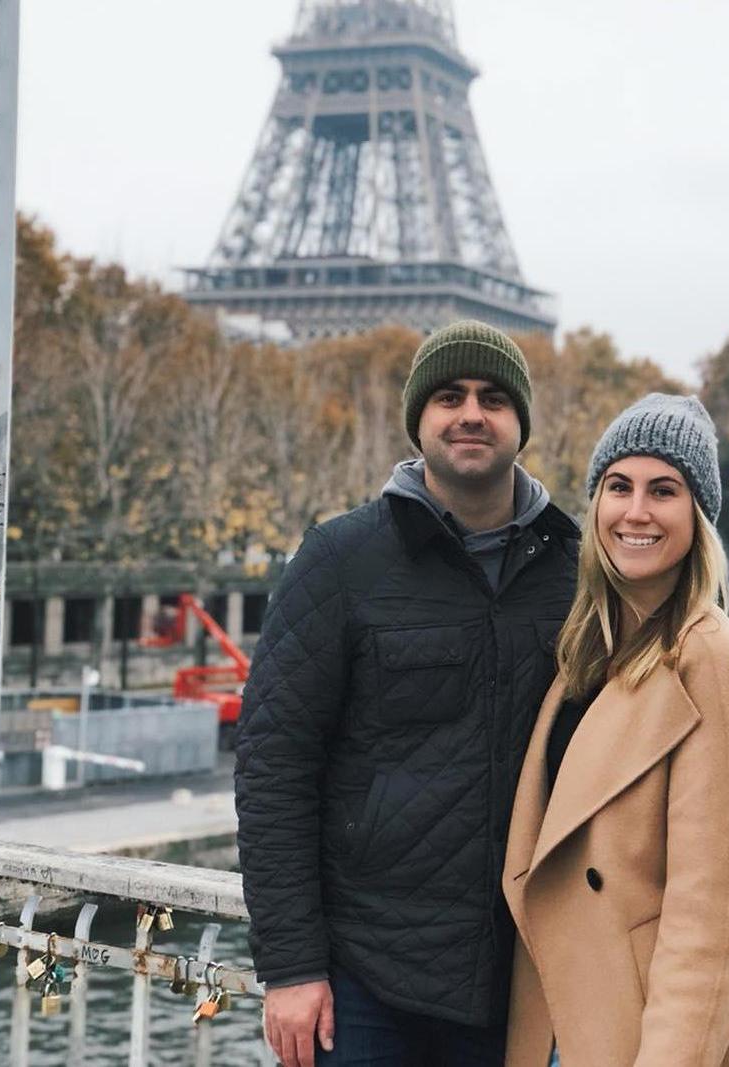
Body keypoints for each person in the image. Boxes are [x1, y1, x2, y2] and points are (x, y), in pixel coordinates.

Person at [234, 320, 580, 1067]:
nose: (470, 414)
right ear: (418, 419)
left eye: (492, 398)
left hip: (525, 978)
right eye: (449, 396)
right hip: (366, 983)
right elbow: (273, 766)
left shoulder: (577, 572)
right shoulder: (338, 560)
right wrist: (291, 965)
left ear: (521, 422)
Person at [502, 394, 729, 1067]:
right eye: (618, 486)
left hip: (647, 1037)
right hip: (565, 1020)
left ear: (697, 515)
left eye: (664, 490)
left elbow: (710, 920)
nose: (635, 511)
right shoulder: (589, 648)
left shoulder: (711, 659)